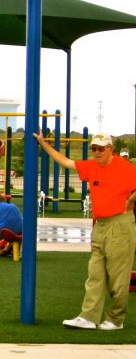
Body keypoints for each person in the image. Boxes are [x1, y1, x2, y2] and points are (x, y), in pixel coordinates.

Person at [34, 131, 136, 330]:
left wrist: (132, 199)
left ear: (110, 149)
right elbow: (65, 162)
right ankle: (89, 316)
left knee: (118, 277)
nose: (96, 152)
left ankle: (116, 319)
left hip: (120, 224)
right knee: (95, 273)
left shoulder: (125, 168)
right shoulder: (91, 167)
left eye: (100, 148)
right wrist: (43, 144)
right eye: (93, 149)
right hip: (100, 225)